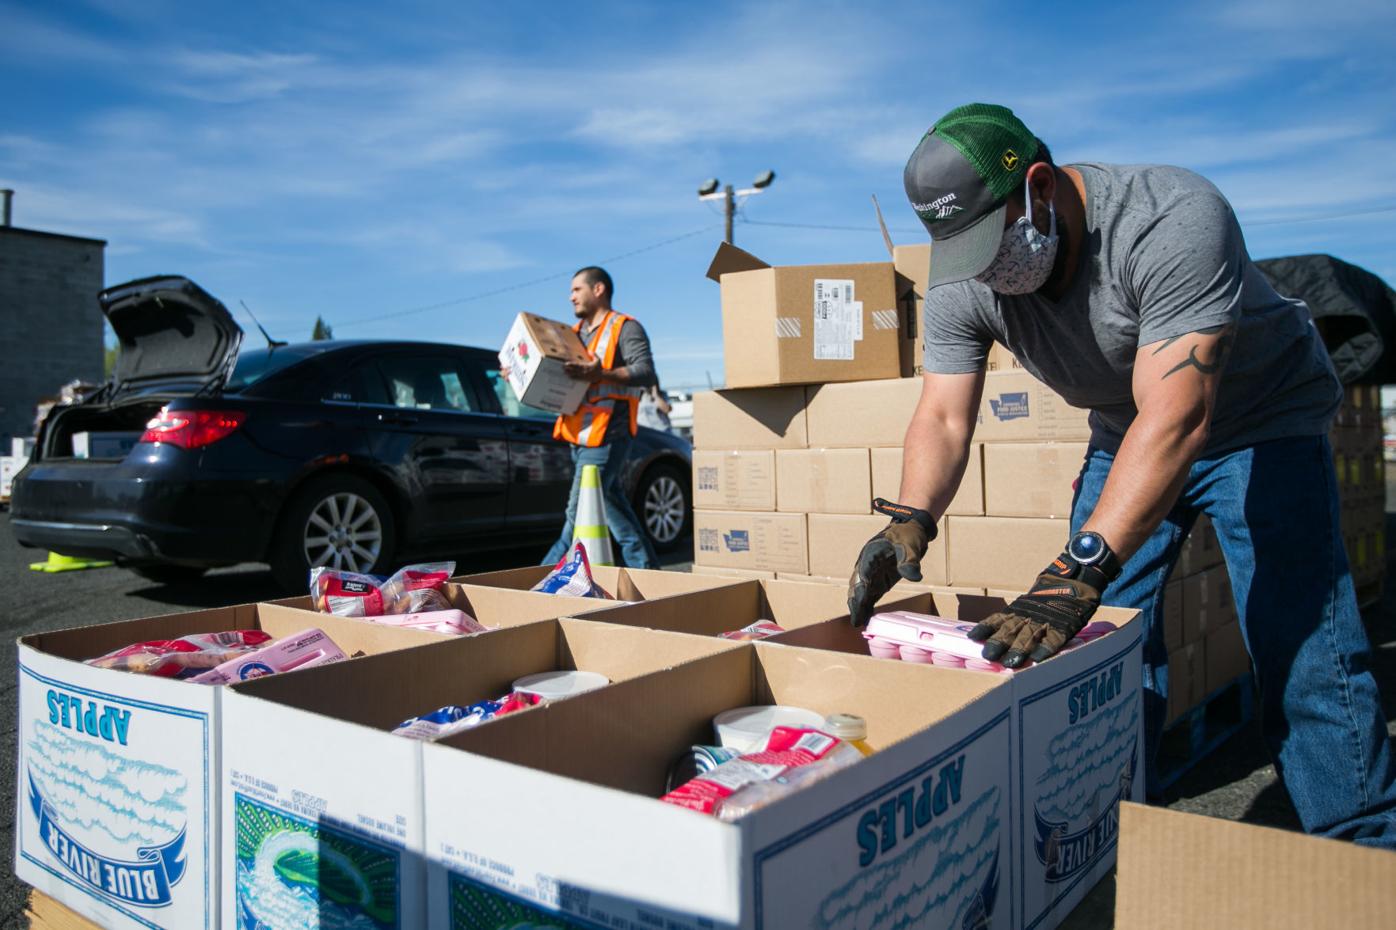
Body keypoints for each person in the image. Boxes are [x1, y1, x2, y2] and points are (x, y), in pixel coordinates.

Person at [847, 102, 1396, 848]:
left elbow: (1178, 415)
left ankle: (1360, 843)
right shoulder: (963, 274)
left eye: (988, 240)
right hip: (1124, 432)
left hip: (1261, 422)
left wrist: (1078, 569)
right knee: (1100, 642)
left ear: (1038, 186)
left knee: (1299, 636)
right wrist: (910, 516)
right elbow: (944, 415)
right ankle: (1115, 812)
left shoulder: (1171, 217)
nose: (983, 270)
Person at [540, 266, 661, 570]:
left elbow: (646, 372)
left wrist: (601, 373)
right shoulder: (574, 334)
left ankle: (535, 587)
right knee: (616, 511)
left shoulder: (625, 327)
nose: (571, 298)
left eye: (576, 290)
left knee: (577, 514)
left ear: (598, 290)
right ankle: (649, 574)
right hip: (579, 436)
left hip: (608, 435)